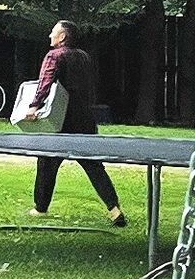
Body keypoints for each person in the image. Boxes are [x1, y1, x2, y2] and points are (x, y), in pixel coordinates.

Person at [30, 19, 127, 227]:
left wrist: (34, 106)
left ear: (62, 37)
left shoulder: (54, 56)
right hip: (85, 119)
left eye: (53, 32)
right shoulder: (84, 57)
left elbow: (45, 82)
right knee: (94, 166)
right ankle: (114, 208)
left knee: (46, 162)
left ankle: (40, 208)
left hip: (61, 120)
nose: (49, 35)